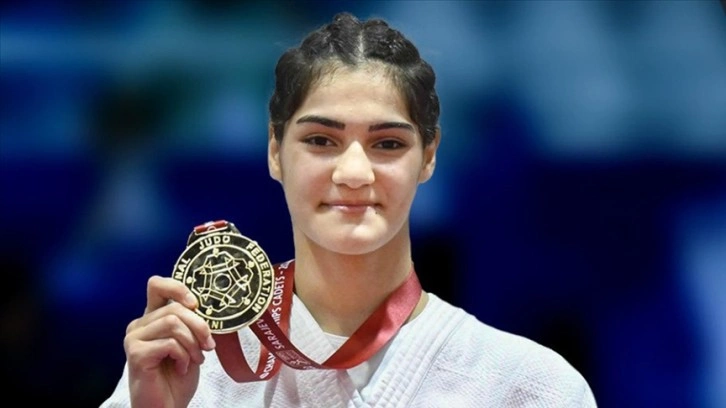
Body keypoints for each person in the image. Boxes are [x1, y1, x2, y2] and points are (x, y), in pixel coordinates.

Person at [100, 12, 597, 407]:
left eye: (387, 144)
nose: (354, 172)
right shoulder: (196, 371)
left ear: (428, 156)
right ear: (275, 151)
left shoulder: (528, 386)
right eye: (321, 140)